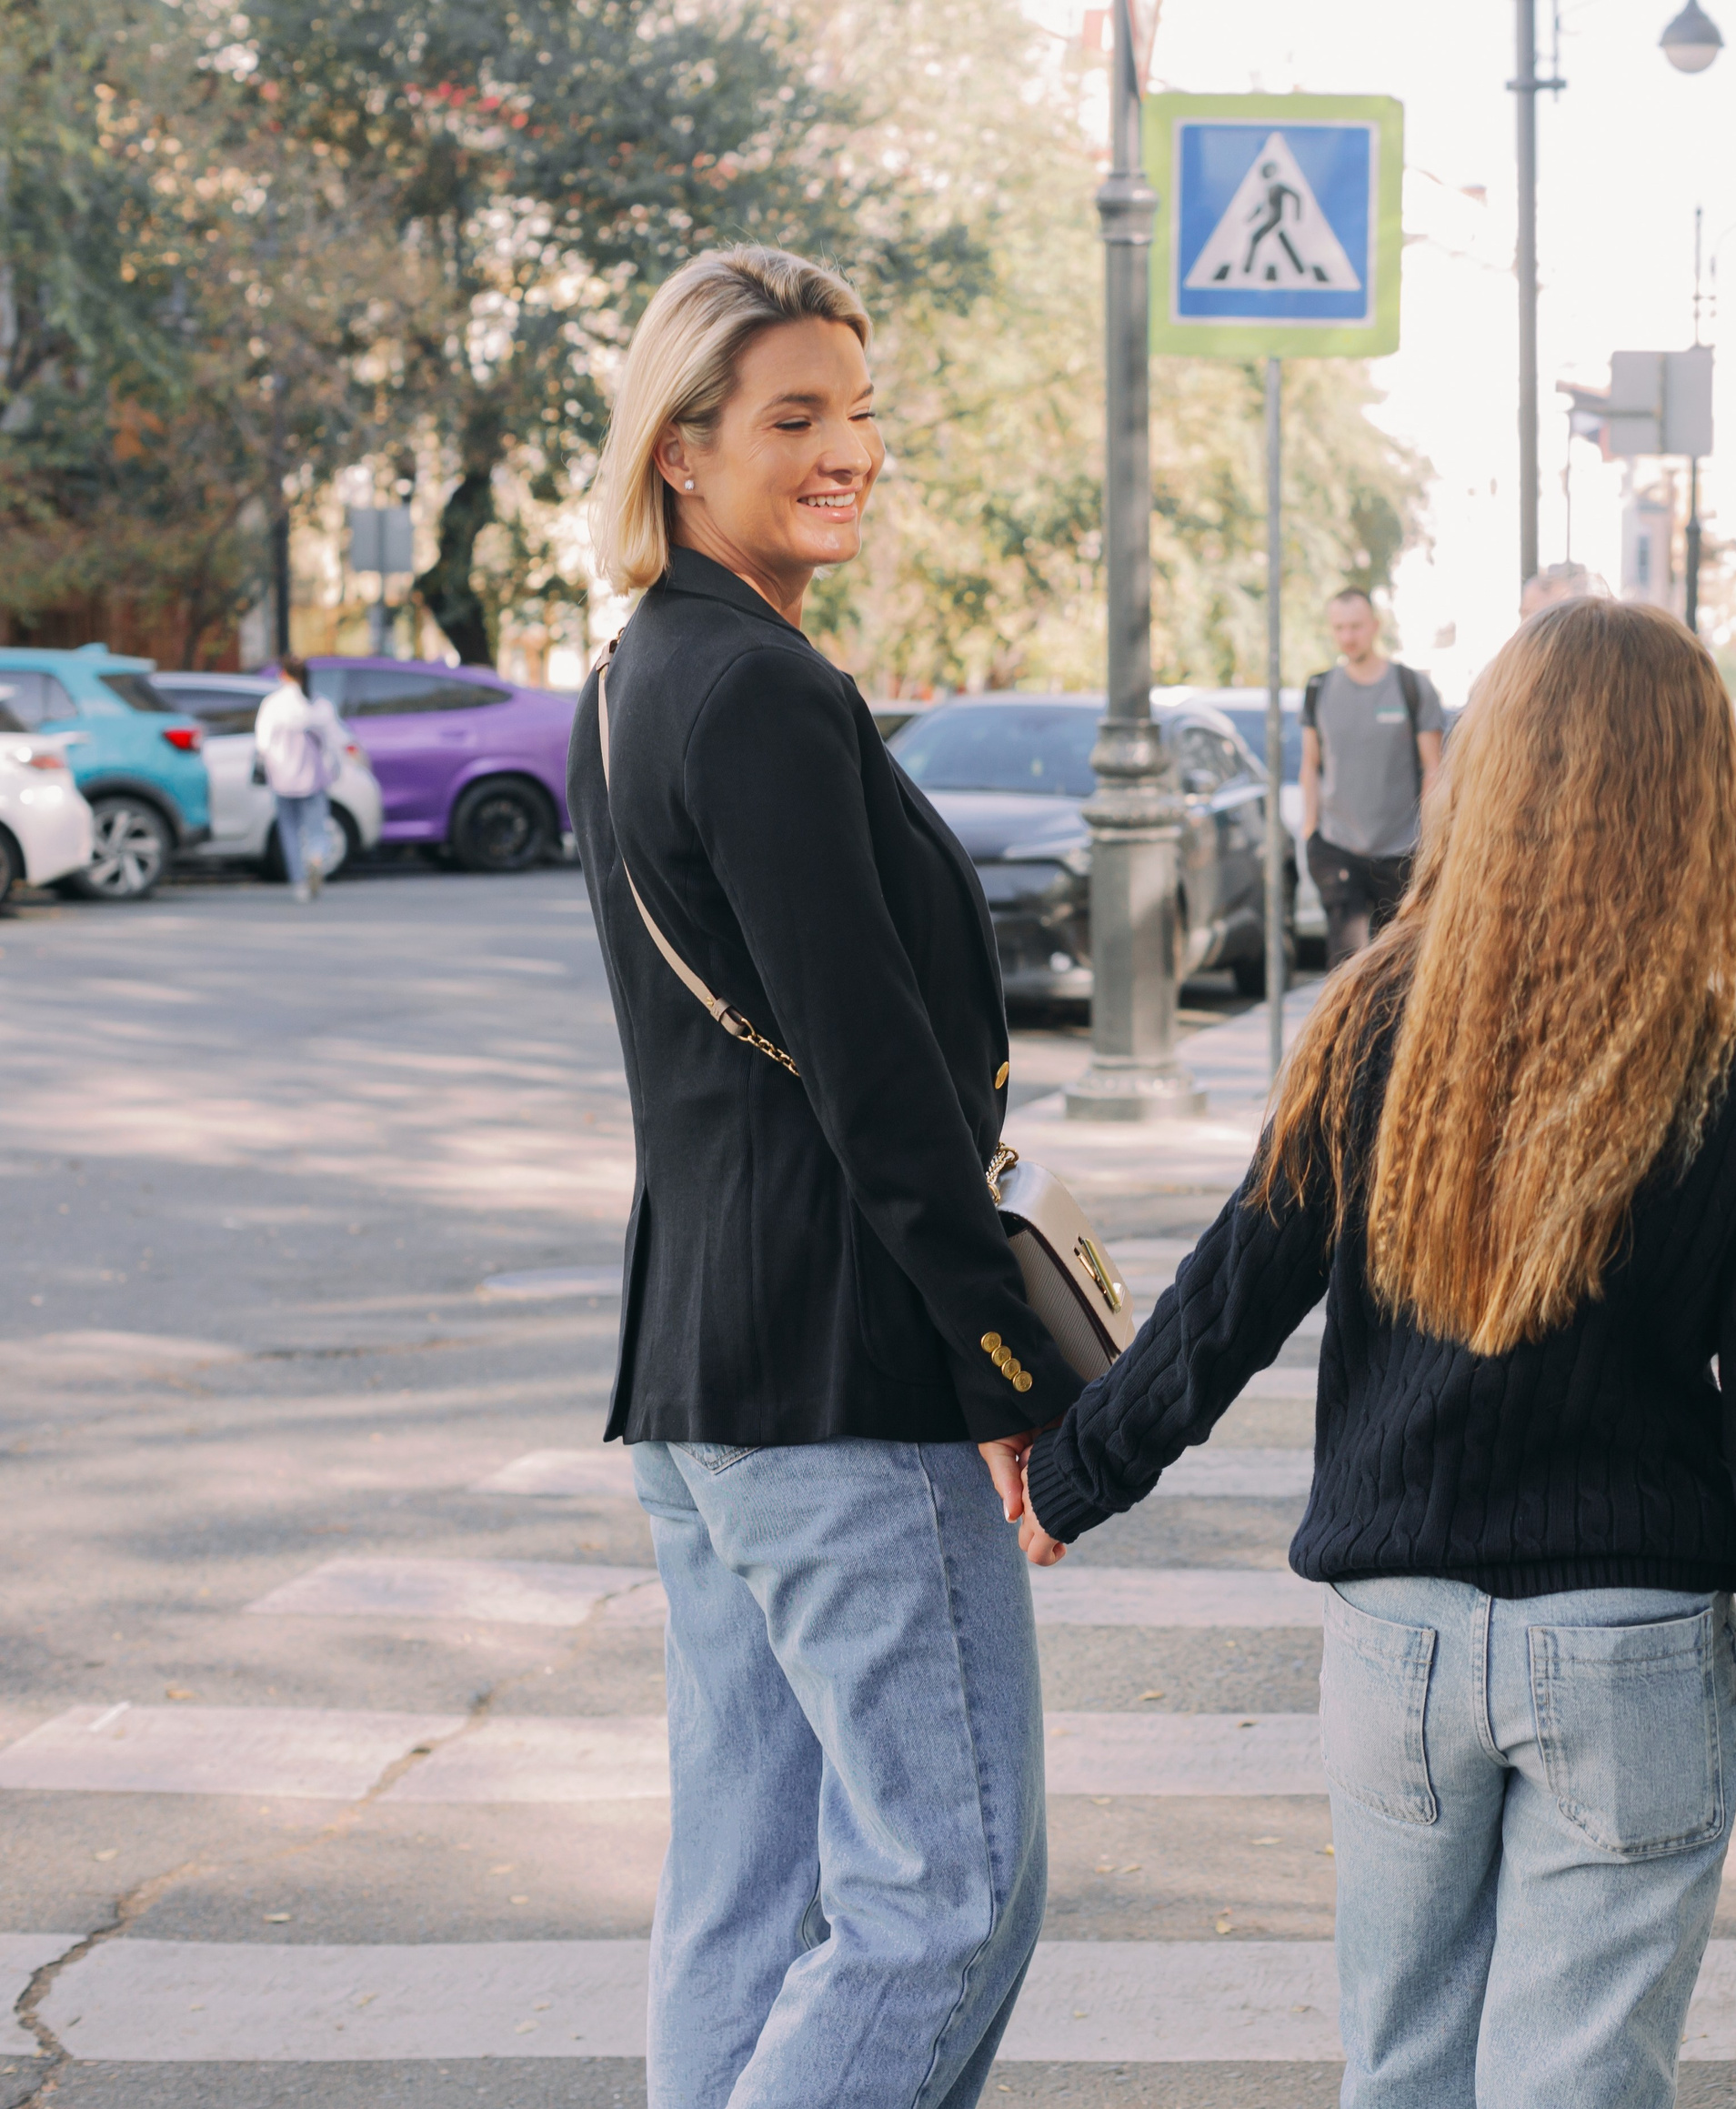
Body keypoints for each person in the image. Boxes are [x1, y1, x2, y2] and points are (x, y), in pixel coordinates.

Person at [998, 599, 1736, 2109]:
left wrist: (1075, 1472)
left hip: (1395, 1639)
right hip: (1635, 1653)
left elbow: (1230, 1296)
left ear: (1487, 777)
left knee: (1401, 2064)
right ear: (1696, 800)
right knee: (1577, 2077)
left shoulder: (1370, 1028)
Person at [570, 245, 1079, 2109]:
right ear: (681, 450)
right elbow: (876, 1087)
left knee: (746, 1890)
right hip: (842, 1374)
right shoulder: (762, 695)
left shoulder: (639, 677)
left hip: (703, 1374)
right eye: (793, 417)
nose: (844, 448)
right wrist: (1002, 1366)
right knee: (947, 1894)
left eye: (857, 412)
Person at [1300, 588, 1445, 968]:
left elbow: (1435, 765)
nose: (1348, 636)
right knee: (1345, 962)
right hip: (1338, 845)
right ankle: (1342, 1029)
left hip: (1400, 851)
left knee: (1395, 967)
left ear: (1375, 626)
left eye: (1356, 627)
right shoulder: (1319, 690)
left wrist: (1428, 836)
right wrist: (1310, 829)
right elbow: (1310, 764)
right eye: (1339, 628)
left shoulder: (1410, 687)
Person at [254, 656, 346, 902]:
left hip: (282, 777)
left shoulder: (273, 704)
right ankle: (316, 859)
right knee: (317, 827)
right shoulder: (318, 704)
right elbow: (335, 740)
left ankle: (299, 882)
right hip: (313, 776)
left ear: (283, 674)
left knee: (290, 830)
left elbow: (262, 743)